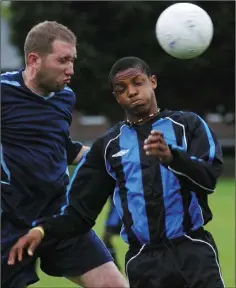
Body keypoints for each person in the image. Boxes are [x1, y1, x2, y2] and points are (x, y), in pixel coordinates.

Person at [8, 56, 225, 288]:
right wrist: (43, 230)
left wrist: (173, 158)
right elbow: (79, 213)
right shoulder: (107, 146)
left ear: (152, 82)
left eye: (137, 83)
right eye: (122, 89)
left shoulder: (188, 125)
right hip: (143, 263)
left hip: (193, 252)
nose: (131, 92)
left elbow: (208, 178)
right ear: (116, 96)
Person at [1, 21, 128, 288]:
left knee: (115, 285)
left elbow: (61, 147)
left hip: (58, 217)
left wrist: (108, 155)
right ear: (34, 59)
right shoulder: (4, 92)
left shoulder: (64, 97)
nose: (71, 69)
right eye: (63, 60)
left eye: (73, 60)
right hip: (9, 223)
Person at [102, 196, 122, 270]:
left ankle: (115, 267)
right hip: (117, 212)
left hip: (118, 214)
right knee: (106, 238)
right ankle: (115, 267)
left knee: (106, 238)